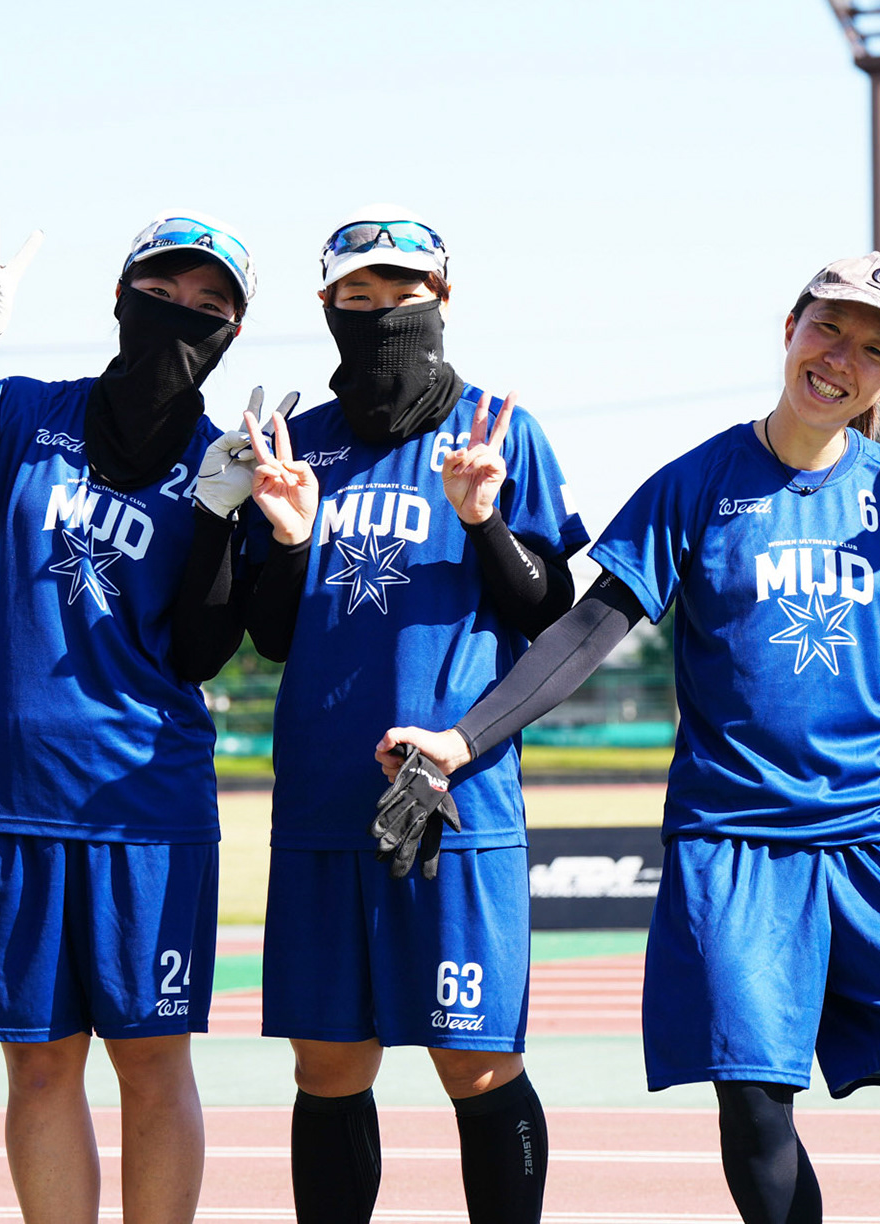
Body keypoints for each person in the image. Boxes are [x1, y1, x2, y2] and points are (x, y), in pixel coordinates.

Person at [375, 253, 880, 1224]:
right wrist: (462, 738)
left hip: (878, 838)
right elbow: (587, 631)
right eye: (830, 328)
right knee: (755, 1104)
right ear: (790, 328)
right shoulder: (698, 483)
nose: (843, 358)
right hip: (734, 843)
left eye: (875, 350)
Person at [0, 209, 261, 1222]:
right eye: (161, 291)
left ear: (234, 334)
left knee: (152, 1062)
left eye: (209, 306)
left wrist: (218, 519)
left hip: (144, 803)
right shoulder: (22, 411)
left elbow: (202, 653)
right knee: (37, 1065)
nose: (182, 313)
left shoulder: (221, 460)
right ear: (120, 298)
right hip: (9, 796)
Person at [171, 205, 587, 1224]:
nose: (381, 311)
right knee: (328, 1064)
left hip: (457, 802)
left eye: (402, 292)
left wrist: (483, 520)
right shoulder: (300, 444)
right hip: (323, 800)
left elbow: (549, 611)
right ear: (326, 306)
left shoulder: (498, 429)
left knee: (475, 1063)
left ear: (442, 299)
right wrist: (291, 538)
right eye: (357, 296)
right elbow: (274, 635)